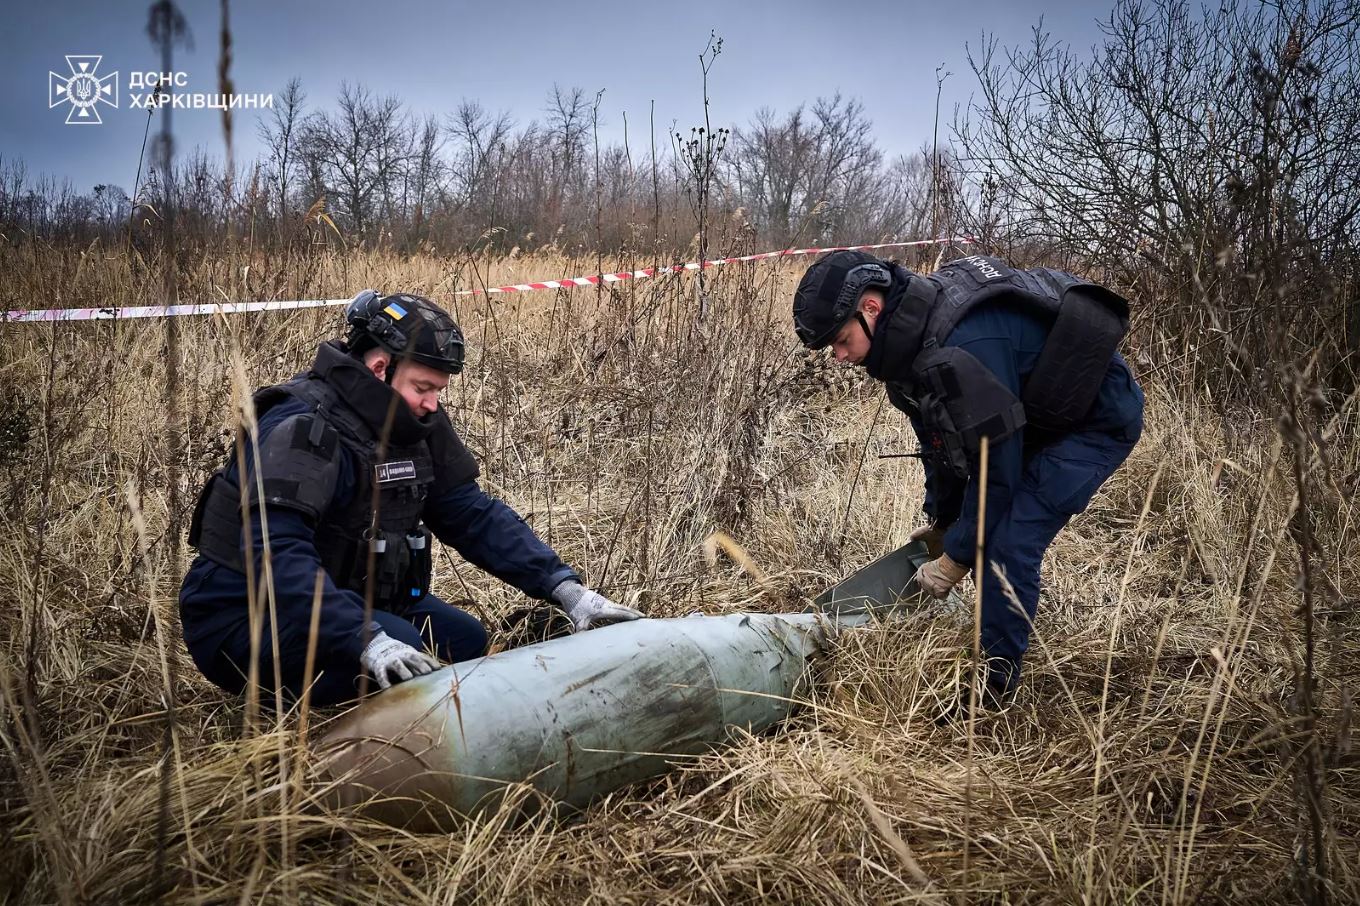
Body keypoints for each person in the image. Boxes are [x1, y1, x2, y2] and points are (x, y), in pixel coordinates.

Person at [181, 290, 642, 707]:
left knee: (462, 642)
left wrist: (567, 591)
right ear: (381, 368)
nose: (432, 404)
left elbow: (470, 513)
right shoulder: (305, 425)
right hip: (242, 615)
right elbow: (274, 551)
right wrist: (368, 640)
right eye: (423, 388)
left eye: (439, 391)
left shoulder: (412, 423)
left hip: (349, 599)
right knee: (404, 649)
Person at [792, 251, 1144, 710]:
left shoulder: (957, 352)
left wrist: (956, 557)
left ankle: (991, 693)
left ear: (871, 308)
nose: (839, 357)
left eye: (840, 340)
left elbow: (996, 467)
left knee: (1005, 545)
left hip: (1095, 422)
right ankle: (993, 634)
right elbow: (941, 445)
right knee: (982, 527)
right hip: (1029, 418)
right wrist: (943, 519)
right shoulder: (906, 353)